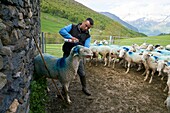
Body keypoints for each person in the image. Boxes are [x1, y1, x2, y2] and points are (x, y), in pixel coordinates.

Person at [59, 18, 94, 96]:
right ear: (83, 22)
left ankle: (84, 87)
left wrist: (79, 45)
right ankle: (63, 90)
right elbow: (61, 31)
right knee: (64, 72)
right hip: (67, 53)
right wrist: (71, 37)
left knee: (81, 72)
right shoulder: (72, 27)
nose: (86, 28)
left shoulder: (87, 36)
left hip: (77, 57)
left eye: (88, 28)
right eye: (86, 26)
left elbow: (86, 46)